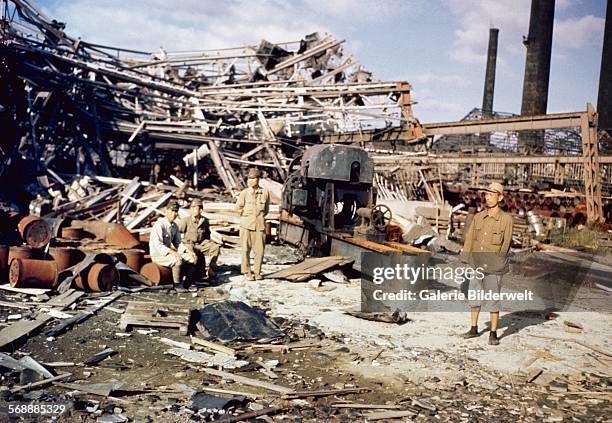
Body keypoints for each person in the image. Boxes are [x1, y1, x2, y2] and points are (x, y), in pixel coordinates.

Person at [460, 182, 513, 345]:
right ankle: (474, 329)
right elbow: (469, 240)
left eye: (492, 195)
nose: (488, 198)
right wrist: (466, 260)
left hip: (494, 266)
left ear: (500, 197)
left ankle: (493, 333)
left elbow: (506, 245)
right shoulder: (478, 217)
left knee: (492, 299)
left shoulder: (506, 220)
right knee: (474, 295)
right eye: (487, 195)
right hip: (476, 264)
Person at [149, 201, 197, 289]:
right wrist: (173, 252)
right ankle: (177, 285)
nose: (174, 214)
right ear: (167, 211)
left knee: (192, 259)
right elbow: (158, 245)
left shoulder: (174, 226)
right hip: (158, 255)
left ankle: (187, 283)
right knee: (177, 260)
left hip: (167, 253)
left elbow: (178, 243)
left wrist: (188, 251)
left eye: (176, 211)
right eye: (172, 211)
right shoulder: (160, 225)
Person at [235, 168, 270, 281]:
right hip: (246, 225)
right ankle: (247, 272)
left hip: (259, 225)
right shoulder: (244, 193)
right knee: (245, 250)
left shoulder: (265, 193)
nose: (250, 180)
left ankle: (257, 272)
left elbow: (266, 210)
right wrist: (246, 217)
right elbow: (238, 208)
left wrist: (258, 218)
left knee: (259, 251)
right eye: (249, 178)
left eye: (253, 178)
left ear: (258, 179)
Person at [177, 198, 221, 280]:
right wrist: (181, 242)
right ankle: (189, 276)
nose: (193, 210)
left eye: (195, 208)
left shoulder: (204, 221)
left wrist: (207, 243)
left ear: (201, 210)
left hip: (201, 244)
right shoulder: (186, 220)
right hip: (189, 244)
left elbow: (207, 235)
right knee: (191, 254)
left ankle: (210, 268)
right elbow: (177, 232)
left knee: (215, 248)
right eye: (192, 208)